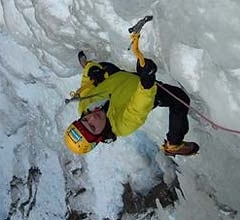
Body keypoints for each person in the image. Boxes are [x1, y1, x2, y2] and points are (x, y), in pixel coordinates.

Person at [64, 51, 199, 157]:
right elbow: (138, 107)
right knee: (181, 100)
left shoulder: (84, 107)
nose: (92, 118)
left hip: (120, 80)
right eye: (92, 127)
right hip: (143, 92)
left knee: (104, 68)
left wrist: (90, 69)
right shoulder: (122, 125)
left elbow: (86, 87)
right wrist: (146, 83)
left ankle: (102, 69)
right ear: (98, 137)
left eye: (85, 120)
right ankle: (174, 144)